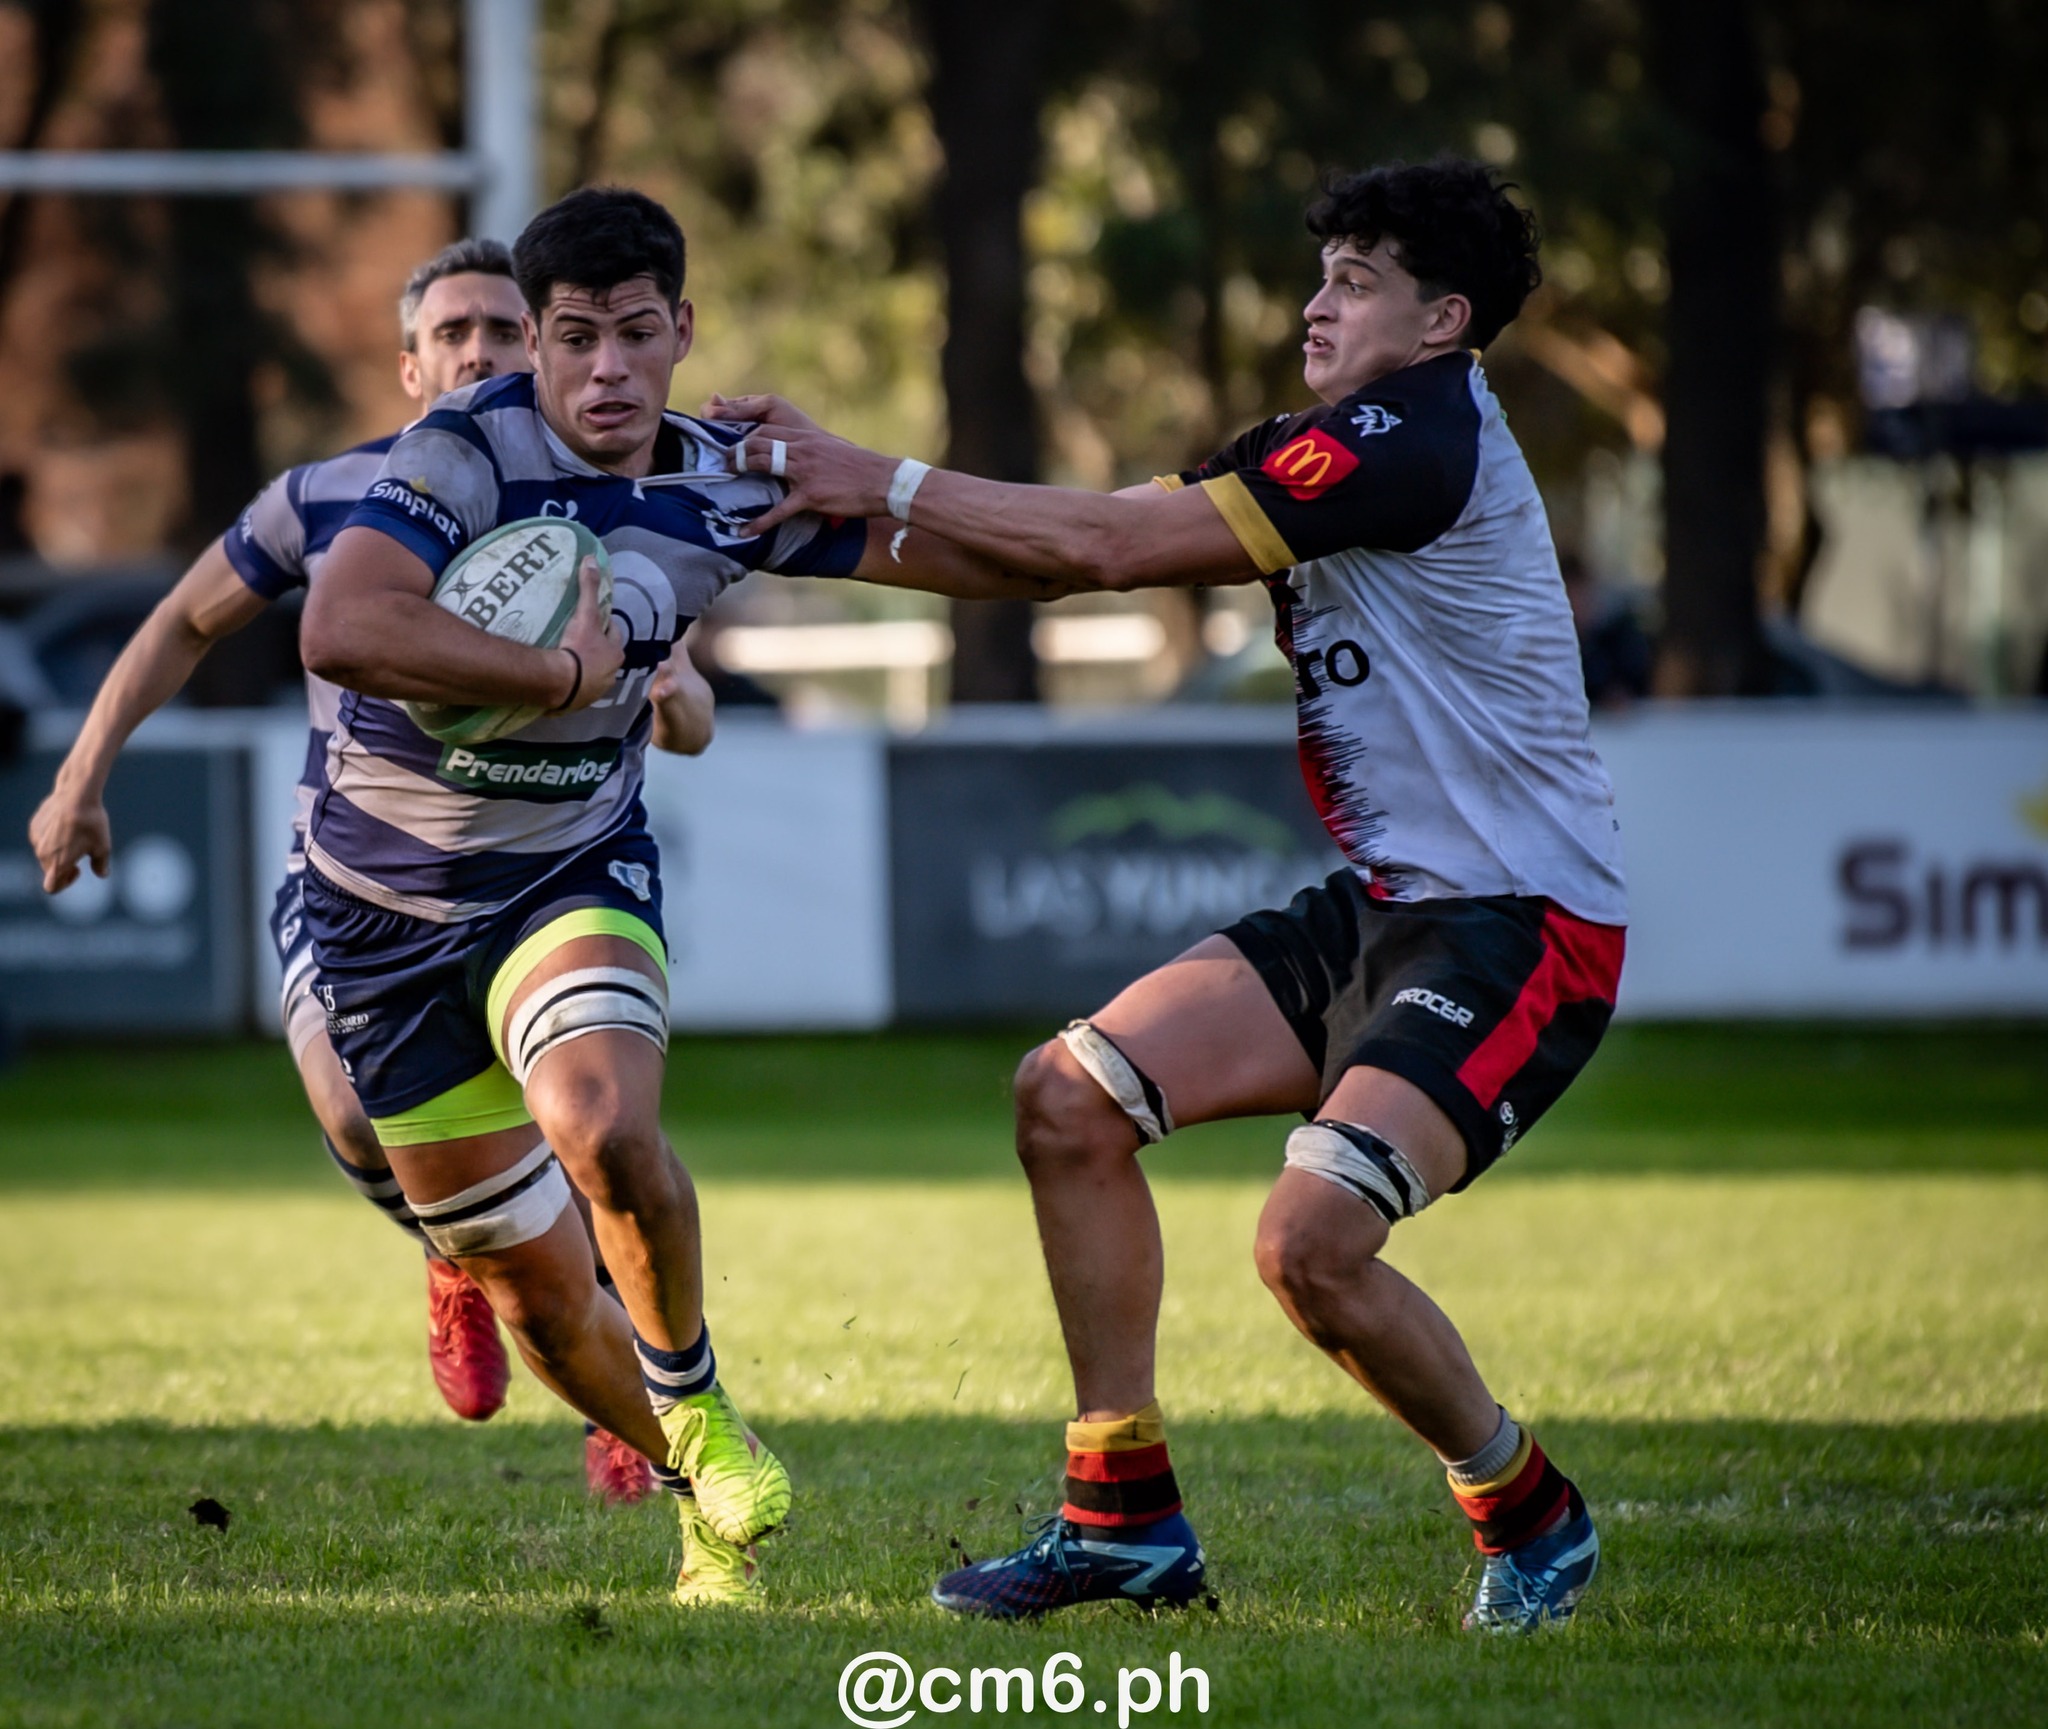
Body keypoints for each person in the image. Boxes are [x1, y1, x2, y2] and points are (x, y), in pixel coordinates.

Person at [718, 157, 1629, 1631]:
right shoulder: (1321, 443)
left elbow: (1108, 543)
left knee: (1308, 1246)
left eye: (1355, 281)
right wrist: (785, 531)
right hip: (1387, 902)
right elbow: (1061, 560)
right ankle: (1121, 1521)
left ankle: (1531, 1518)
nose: (1315, 302)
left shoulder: (1418, 436)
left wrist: (867, 472)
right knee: (1065, 1100)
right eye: (1320, 272)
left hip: (1522, 925)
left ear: (1445, 317)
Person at [296, 185, 1059, 1606]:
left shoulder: (726, 478)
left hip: (567, 873)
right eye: (573, 337)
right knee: (533, 1297)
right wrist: (559, 676)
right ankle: (705, 1481)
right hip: (381, 914)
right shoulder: (458, 451)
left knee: (601, 1121)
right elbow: (344, 625)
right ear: (532, 341)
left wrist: (929, 486)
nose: (605, 370)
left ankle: (697, 1413)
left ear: (683, 329)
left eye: (636, 335)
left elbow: (976, 561)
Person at [26, 238, 701, 1503]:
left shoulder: (595, 508)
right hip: (356, 881)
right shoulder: (323, 498)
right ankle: (459, 1256)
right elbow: (182, 619)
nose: (482, 356)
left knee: (596, 1127)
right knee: (348, 1113)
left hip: (540, 875)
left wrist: (669, 694)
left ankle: (624, 1372)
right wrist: (80, 777)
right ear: (409, 366)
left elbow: (680, 684)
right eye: (453, 335)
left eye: (506, 332)